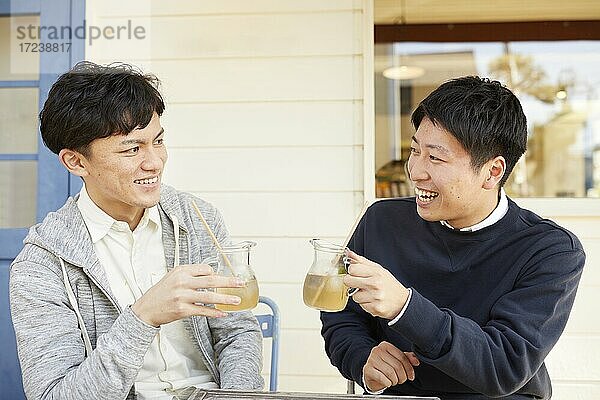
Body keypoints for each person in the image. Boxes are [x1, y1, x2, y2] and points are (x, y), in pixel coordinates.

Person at [9, 62, 263, 400]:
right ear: (76, 162)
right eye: (132, 149)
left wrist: (237, 397)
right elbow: (55, 395)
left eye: (157, 141)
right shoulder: (41, 265)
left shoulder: (197, 219)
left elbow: (237, 330)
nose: (154, 162)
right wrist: (144, 315)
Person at [321, 76, 585, 400]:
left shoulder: (550, 251)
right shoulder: (381, 220)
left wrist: (405, 307)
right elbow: (340, 313)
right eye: (415, 150)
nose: (415, 171)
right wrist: (362, 358)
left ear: (492, 172)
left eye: (435, 158)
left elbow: (504, 366)